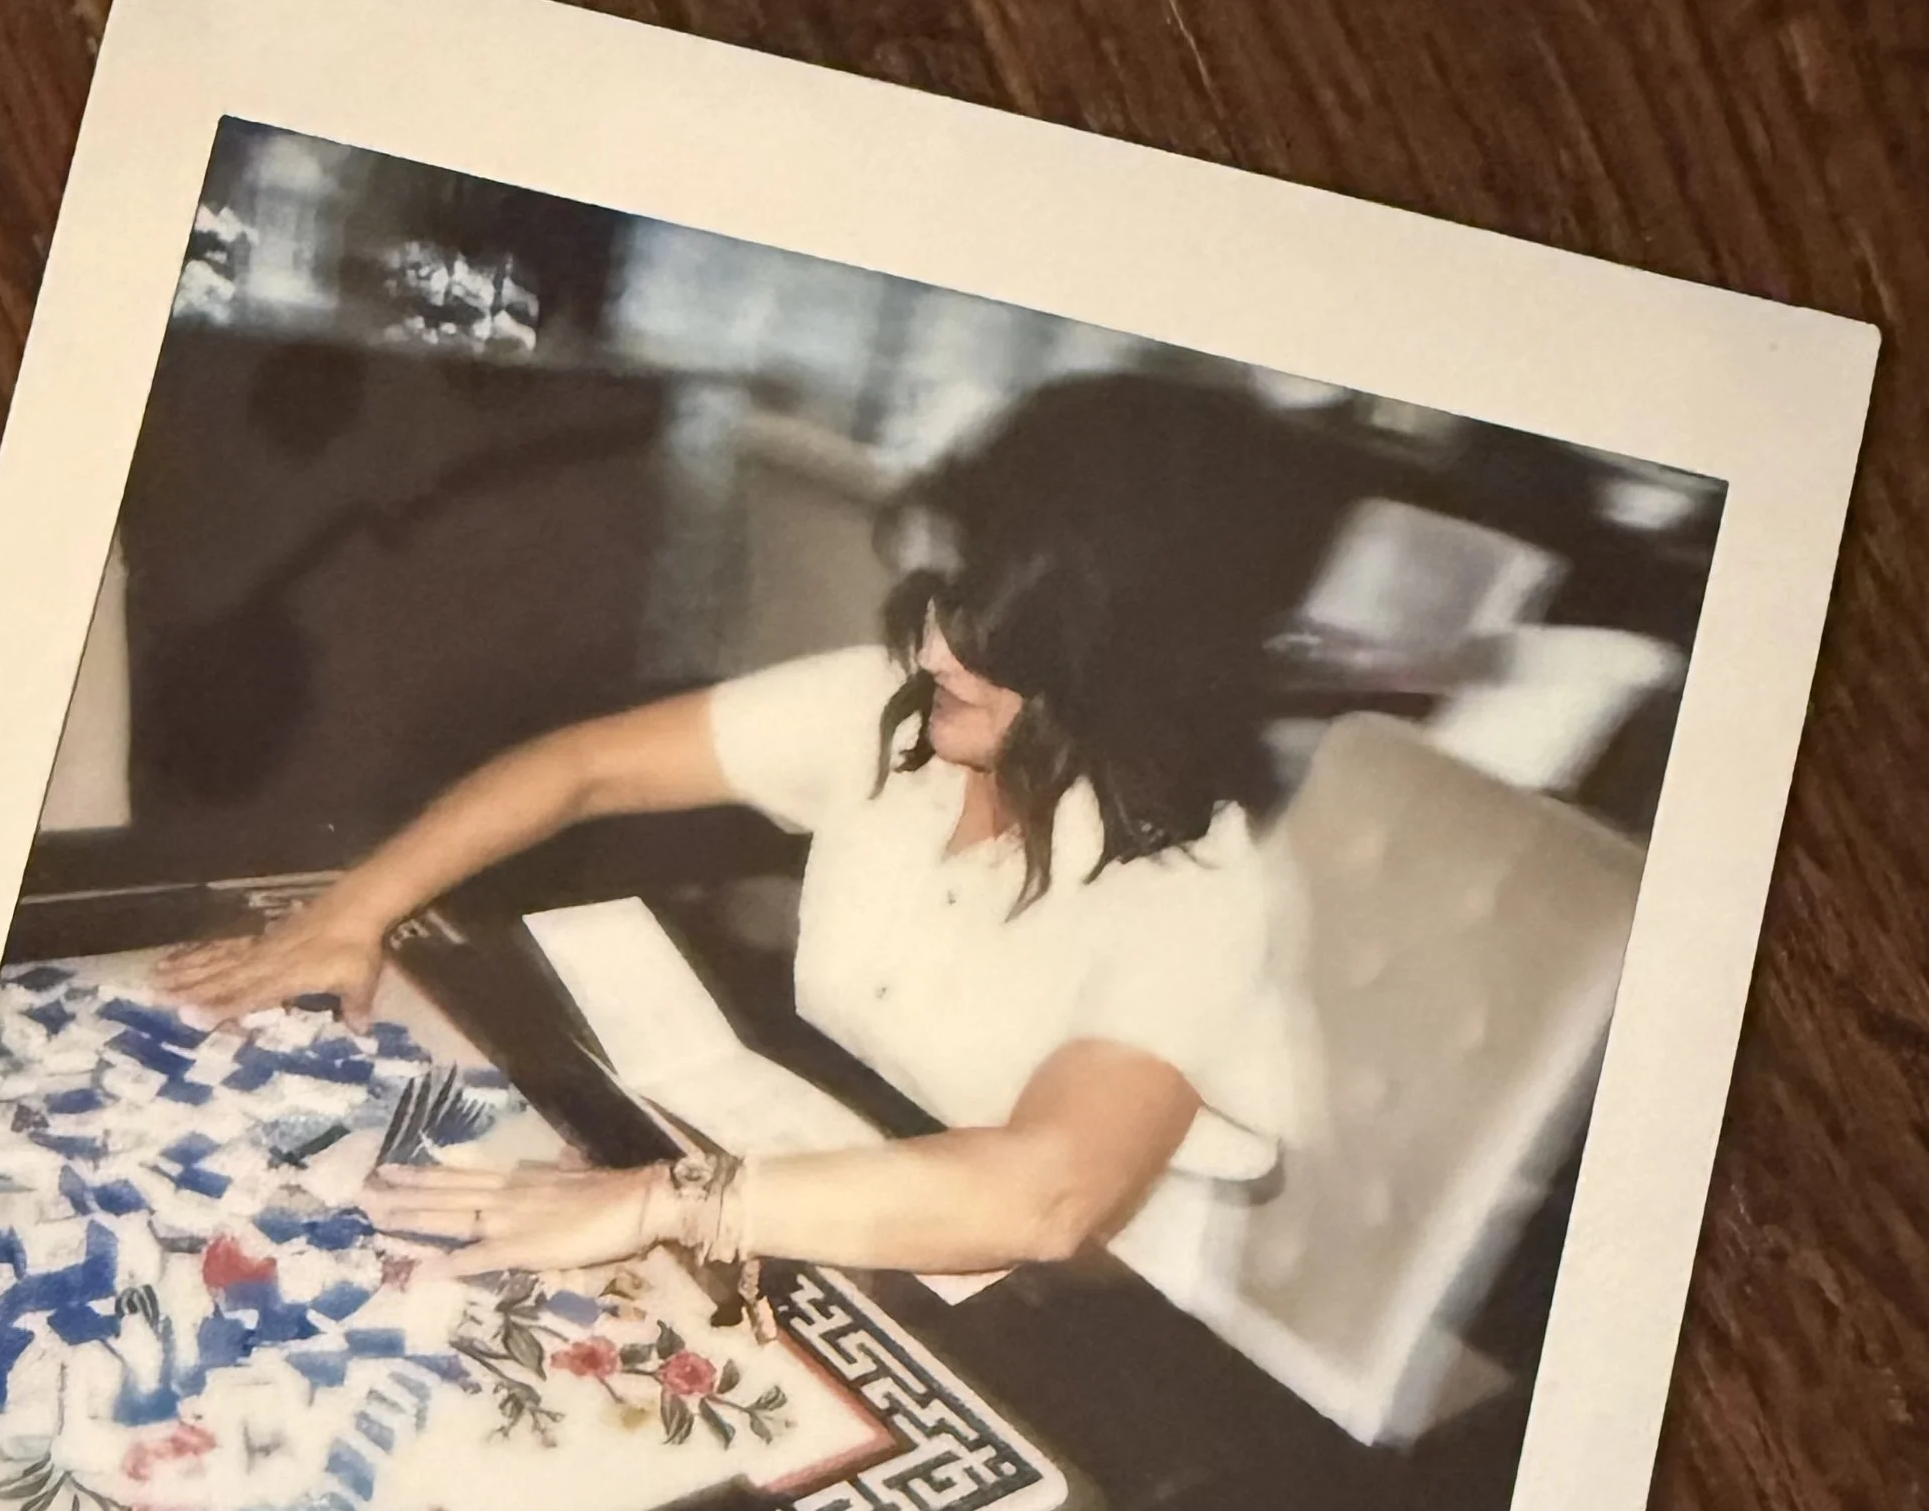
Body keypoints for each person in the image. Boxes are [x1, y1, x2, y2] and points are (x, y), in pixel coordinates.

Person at [158, 371, 1306, 1299]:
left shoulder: (1192, 883)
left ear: (1125, 661)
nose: (936, 652)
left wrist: (666, 1198)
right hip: (822, 1154)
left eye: (999, 630)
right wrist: (348, 916)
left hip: (1063, 1310)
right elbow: (583, 766)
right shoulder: (895, 712)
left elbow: (1045, 1201)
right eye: (952, 594)